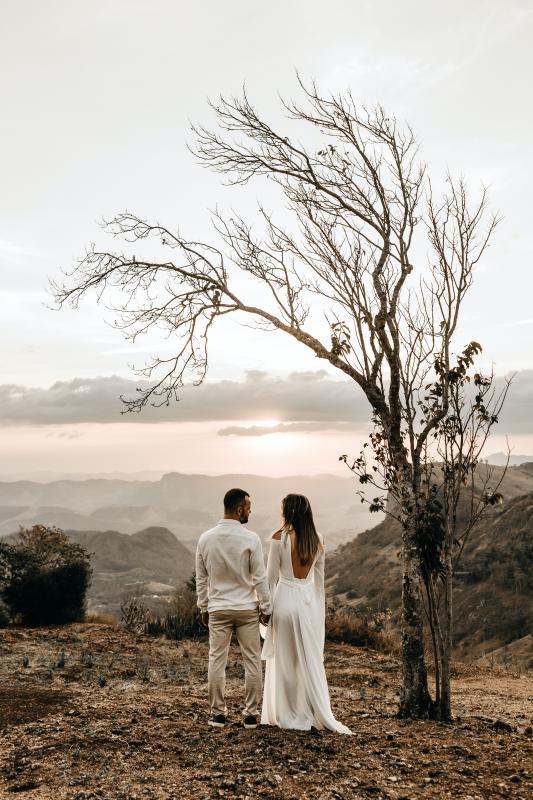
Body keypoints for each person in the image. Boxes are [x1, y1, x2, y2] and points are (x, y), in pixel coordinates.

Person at [261, 493, 352, 734]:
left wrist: (265, 609)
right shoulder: (318, 539)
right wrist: (318, 612)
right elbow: (319, 583)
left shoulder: (278, 538)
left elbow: (270, 579)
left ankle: (288, 713)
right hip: (308, 604)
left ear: (288, 512)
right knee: (309, 662)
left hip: (284, 603)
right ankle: (311, 711)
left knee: (286, 662)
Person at [195, 488, 271, 729]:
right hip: (247, 609)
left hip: (218, 609)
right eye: (248, 507)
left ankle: (218, 714)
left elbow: (201, 578)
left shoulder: (205, 538)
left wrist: (203, 607)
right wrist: (266, 607)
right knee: (252, 660)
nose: (250, 511)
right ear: (239, 510)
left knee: (216, 660)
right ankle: (250, 715)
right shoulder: (251, 539)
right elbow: (260, 577)